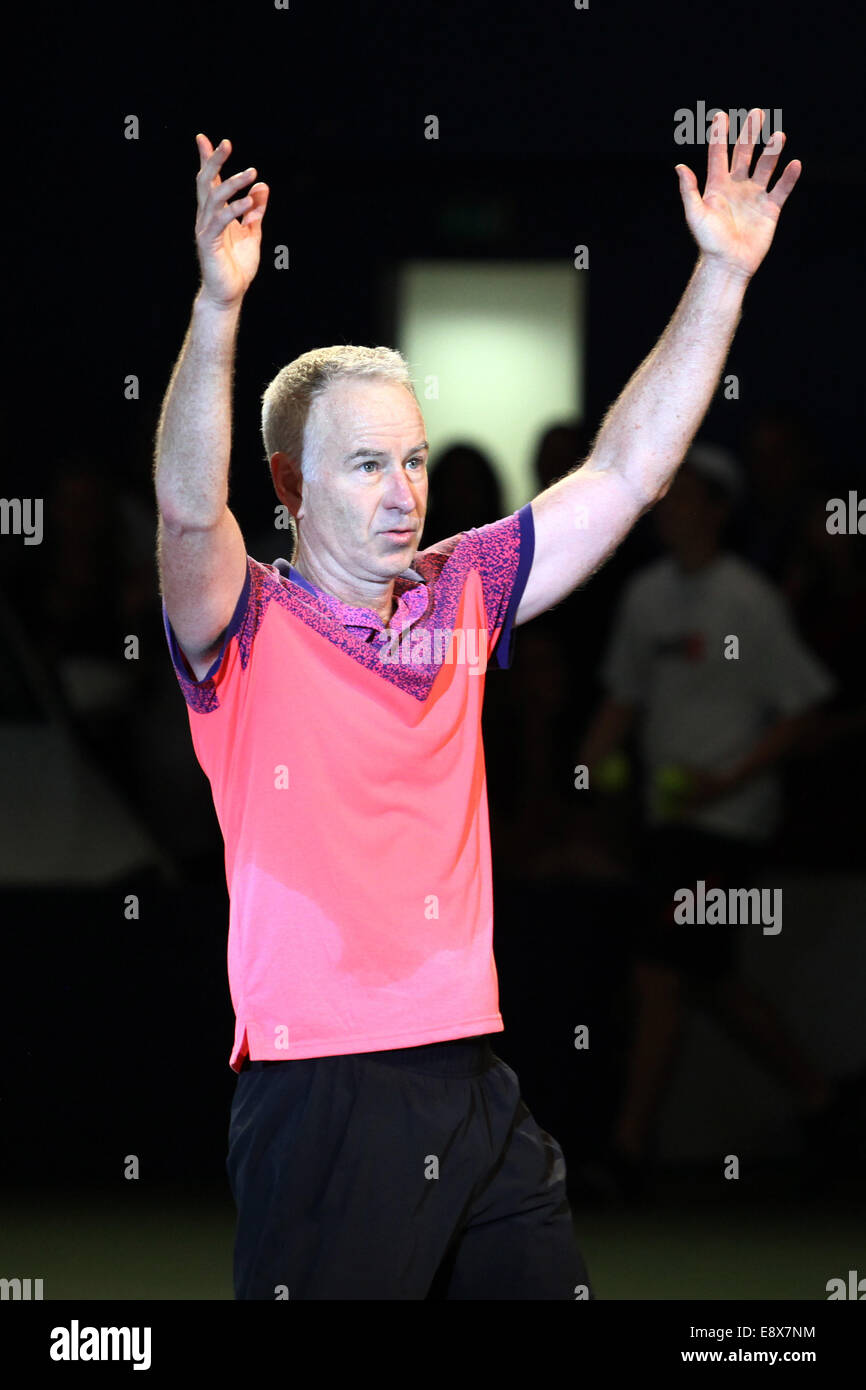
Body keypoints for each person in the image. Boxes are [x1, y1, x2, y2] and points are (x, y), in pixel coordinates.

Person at [153, 110, 802, 1298]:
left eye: (411, 458)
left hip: (474, 1083)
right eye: (365, 465)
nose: (403, 491)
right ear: (290, 487)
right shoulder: (239, 621)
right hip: (324, 1087)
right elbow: (192, 516)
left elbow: (620, 475)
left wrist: (719, 274)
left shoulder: (461, 588)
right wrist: (216, 305)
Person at [577, 446, 856, 1200]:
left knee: (662, 973)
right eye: (663, 497)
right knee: (705, 977)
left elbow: (804, 707)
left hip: (728, 822)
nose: (668, 509)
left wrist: (725, 781)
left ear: (718, 509)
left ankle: (628, 1152)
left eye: (685, 496)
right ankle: (825, 1102)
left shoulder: (748, 601)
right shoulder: (644, 597)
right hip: (666, 824)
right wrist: (589, 770)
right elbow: (622, 699)